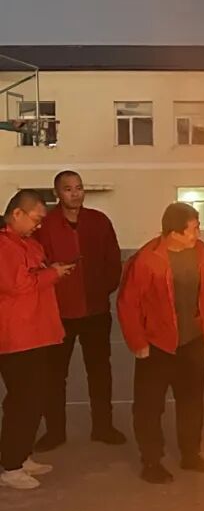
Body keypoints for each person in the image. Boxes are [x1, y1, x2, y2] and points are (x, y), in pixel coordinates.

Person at [118, 203, 204, 484]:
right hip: (158, 345)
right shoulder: (147, 260)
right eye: (193, 228)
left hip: (193, 342)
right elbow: (128, 303)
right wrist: (138, 342)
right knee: (149, 407)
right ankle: (151, 461)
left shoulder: (200, 252)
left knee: (191, 402)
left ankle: (191, 454)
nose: (198, 233)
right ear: (174, 233)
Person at [34, 170, 125, 450]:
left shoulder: (99, 222)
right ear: (56, 193)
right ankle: (55, 432)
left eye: (78, 188)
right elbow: (37, 266)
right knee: (54, 375)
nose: (75, 194)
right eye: (68, 189)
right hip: (59, 313)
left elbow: (113, 260)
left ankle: (103, 427)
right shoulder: (45, 226)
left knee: (100, 372)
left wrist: (103, 288)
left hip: (95, 311)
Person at [0, 190, 71, 490]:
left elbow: (35, 276)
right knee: (22, 401)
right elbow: (17, 284)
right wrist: (51, 274)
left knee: (35, 398)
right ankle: (10, 466)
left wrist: (51, 271)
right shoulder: (4, 246)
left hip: (39, 332)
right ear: (17, 213)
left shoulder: (29, 243)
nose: (38, 225)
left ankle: (21, 454)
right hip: (17, 336)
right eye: (35, 219)